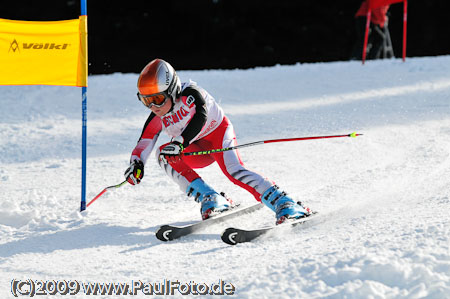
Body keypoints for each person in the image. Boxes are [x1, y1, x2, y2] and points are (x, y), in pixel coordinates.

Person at [124, 59, 311, 224]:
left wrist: (180, 142)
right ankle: (210, 197)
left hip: (218, 136)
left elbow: (201, 116)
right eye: (146, 101)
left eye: (157, 99)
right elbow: (145, 141)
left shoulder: (190, 94)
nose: (153, 107)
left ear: (172, 90)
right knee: (164, 155)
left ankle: (285, 203)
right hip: (196, 149)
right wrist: (136, 164)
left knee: (234, 171)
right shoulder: (157, 115)